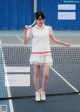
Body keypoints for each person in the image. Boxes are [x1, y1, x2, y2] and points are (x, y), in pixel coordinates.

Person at [24, 11, 71, 102]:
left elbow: (54, 39)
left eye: (42, 19)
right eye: (39, 19)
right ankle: (37, 92)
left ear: (44, 19)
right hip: (36, 54)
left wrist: (64, 43)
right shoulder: (31, 30)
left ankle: (42, 90)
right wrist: (25, 32)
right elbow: (25, 42)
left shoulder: (48, 28)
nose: (40, 20)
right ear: (36, 20)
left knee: (46, 75)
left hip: (46, 54)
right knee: (36, 74)